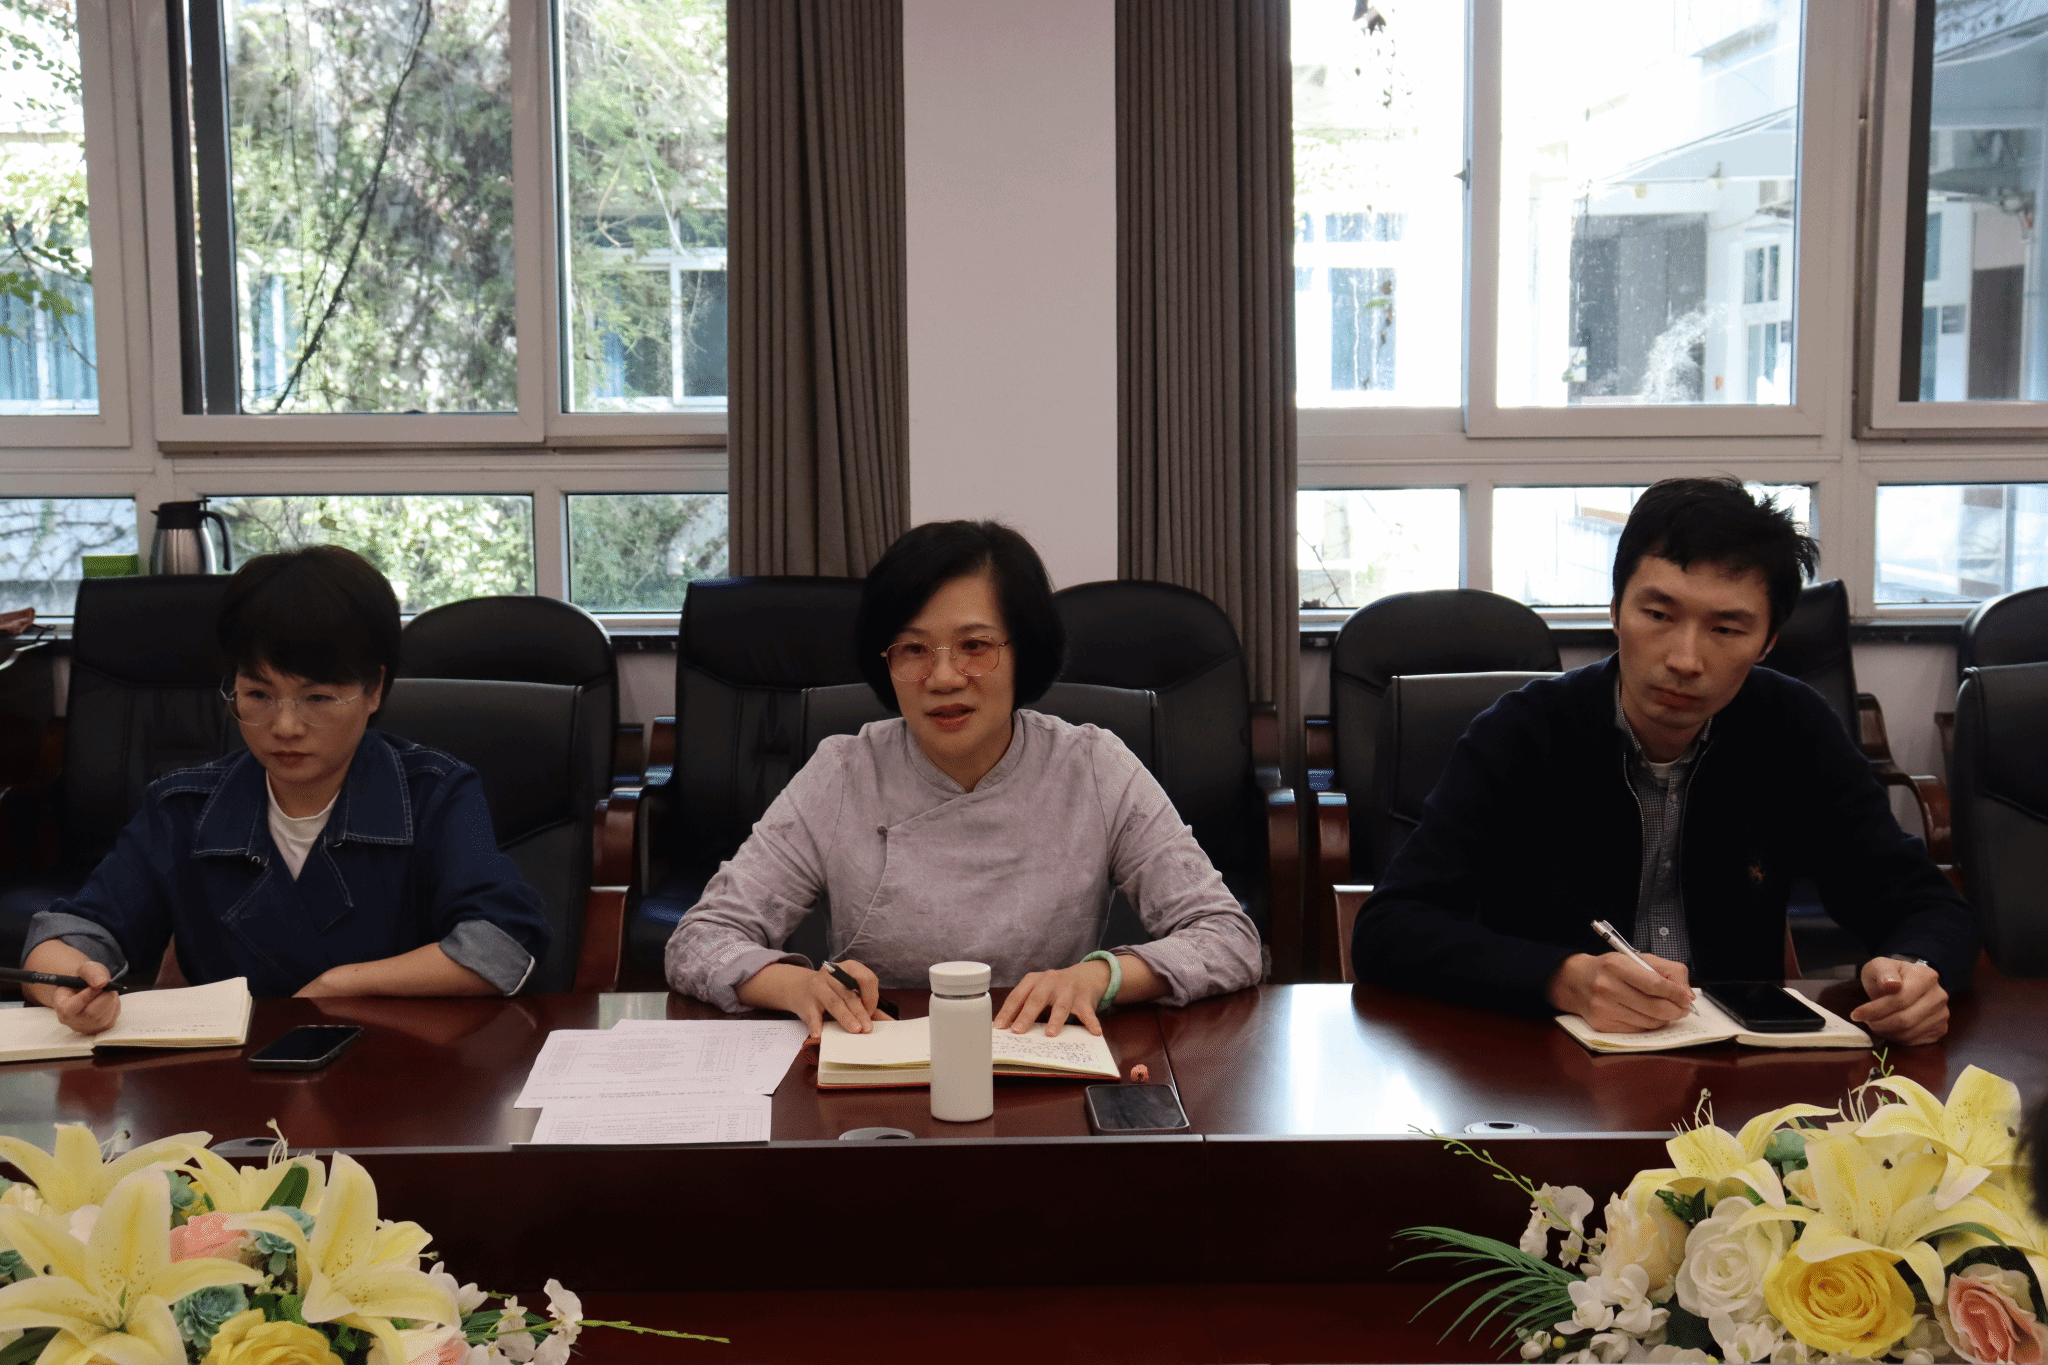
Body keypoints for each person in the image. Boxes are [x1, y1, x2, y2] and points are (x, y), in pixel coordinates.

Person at [1351, 477, 1977, 1045]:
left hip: (1737, 1075)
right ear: (1615, 610)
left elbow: (1925, 904)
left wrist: (1915, 972)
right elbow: (1389, 929)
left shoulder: (1793, 728)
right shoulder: (1522, 731)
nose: (1684, 659)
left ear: (1767, 642)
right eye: (1657, 615)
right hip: (1549, 1070)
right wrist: (1561, 977)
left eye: (1726, 630)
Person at [665, 519, 1262, 1038]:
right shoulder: (843, 773)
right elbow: (699, 940)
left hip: (1041, 1059)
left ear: (1024, 651)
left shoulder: (1093, 767)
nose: (944, 678)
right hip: (881, 1063)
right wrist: (793, 985)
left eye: (975, 646)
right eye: (913, 650)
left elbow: (1229, 938)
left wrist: (1101, 978)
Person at [21, 546, 551, 1029]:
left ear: (374, 690)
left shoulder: (435, 794)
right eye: (258, 695)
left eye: (318, 698)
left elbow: (502, 943)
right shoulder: (184, 809)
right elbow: (69, 933)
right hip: (230, 1080)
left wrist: (341, 985)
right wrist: (71, 986)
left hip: (396, 1070)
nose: (285, 727)